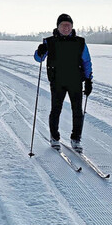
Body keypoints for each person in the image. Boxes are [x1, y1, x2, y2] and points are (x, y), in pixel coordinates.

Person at [33, 13, 93, 152]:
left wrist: (89, 80)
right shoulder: (50, 42)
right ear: (58, 26)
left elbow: (87, 61)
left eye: (68, 25)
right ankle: (54, 138)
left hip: (75, 81)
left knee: (78, 111)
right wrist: (39, 51)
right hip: (57, 81)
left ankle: (76, 139)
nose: (66, 28)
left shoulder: (80, 42)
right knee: (56, 110)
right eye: (63, 25)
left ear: (72, 26)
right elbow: (38, 58)